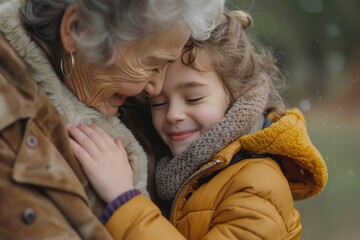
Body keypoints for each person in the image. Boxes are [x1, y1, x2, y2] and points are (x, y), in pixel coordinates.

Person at [67, 10, 328, 239]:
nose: (173, 115)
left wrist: (124, 198)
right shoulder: (185, 172)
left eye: (193, 98)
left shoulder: (259, 184)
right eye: (158, 104)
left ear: (237, 96)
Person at [0, 0, 225, 238]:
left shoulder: (131, 102)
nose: (155, 88)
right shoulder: (10, 124)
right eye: (152, 64)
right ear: (77, 29)